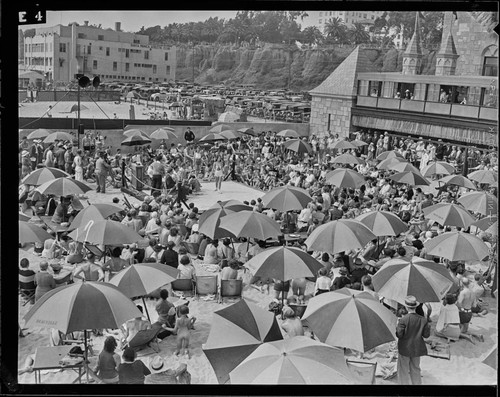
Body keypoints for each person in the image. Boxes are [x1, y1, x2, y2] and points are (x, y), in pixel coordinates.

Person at [396, 295, 431, 385]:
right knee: (415, 369)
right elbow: (426, 335)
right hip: (417, 348)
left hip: (405, 348)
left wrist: (397, 326)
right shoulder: (423, 320)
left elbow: (399, 335)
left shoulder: (403, 320)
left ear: (407, 307)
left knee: (403, 370)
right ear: (416, 306)